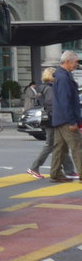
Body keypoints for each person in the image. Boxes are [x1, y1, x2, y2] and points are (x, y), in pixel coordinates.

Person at [28, 67, 76, 178]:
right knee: (51, 145)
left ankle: (69, 170)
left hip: (50, 119)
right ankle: (34, 168)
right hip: (52, 119)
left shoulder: (44, 88)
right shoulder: (49, 88)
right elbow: (52, 104)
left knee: (60, 145)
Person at [47, 51, 82, 182]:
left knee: (60, 148)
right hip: (67, 120)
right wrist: (72, 121)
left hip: (60, 119)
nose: (77, 64)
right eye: (75, 62)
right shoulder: (64, 78)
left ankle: (55, 174)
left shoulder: (61, 76)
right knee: (78, 146)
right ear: (67, 61)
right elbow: (65, 101)